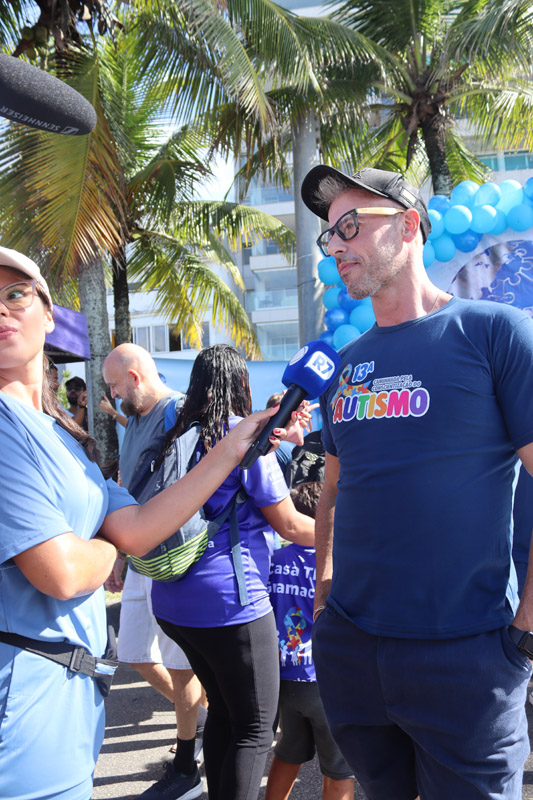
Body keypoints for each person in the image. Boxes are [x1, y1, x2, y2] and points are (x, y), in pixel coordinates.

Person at [0, 246, 294, 800]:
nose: (2, 311)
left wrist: (233, 447)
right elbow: (61, 571)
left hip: (67, 704)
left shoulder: (58, 434)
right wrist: (108, 546)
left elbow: (136, 526)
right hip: (23, 705)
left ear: (46, 312)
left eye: (15, 294)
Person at [299, 165, 533, 800]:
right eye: (329, 236)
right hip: (355, 652)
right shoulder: (344, 365)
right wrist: (324, 598)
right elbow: (333, 489)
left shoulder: (493, 334)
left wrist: (526, 632)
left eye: (350, 225)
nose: (337, 244)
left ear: (408, 226)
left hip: (468, 656)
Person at [148, 344, 315, 800]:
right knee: (258, 728)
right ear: (242, 384)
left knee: (226, 709)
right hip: (231, 604)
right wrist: (354, 536)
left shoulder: (178, 434)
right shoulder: (241, 441)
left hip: (170, 600)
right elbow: (291, 524)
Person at [102, 343, 205, 799]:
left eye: (114, 385)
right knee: (135, 654)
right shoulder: (138, 417)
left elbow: (182, 488)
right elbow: (132, 487)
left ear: (135, 377)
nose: (113, 394)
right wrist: (122, 553)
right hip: (142, 553)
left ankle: (187, 762)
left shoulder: (179, 412)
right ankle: (197, 715)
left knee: (182, 668)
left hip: (173, 559)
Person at [265, 481, 354, 800]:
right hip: (326, 680)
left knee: (288, 751)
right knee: (340, 768)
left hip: (284, 677)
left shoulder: (274, 560)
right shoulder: (339, 564)